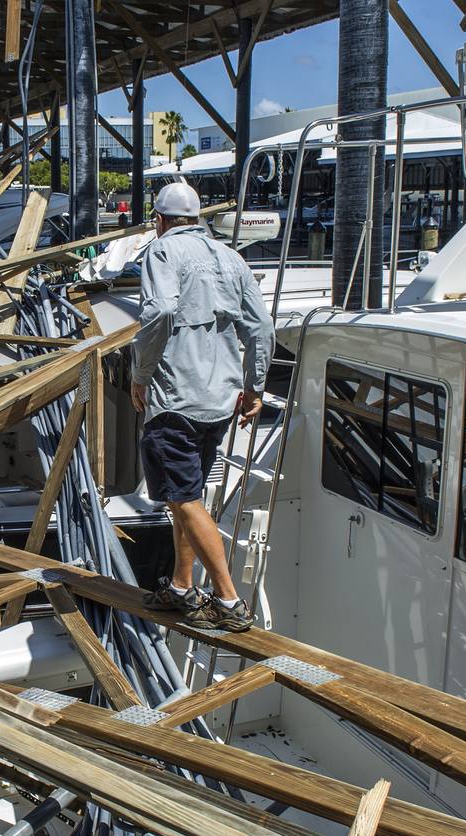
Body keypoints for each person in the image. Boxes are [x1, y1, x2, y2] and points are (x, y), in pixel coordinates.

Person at [131, 182, 274, 631]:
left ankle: (229, 602)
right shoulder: (232, 257)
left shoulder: (162, 253)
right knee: (183, 499)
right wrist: (255, 387)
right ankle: (180, 586)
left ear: (160, 220)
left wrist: (139, 374)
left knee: (187, 502)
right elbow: (262, 327)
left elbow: (158, 314)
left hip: (176, 399)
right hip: (218, 403)